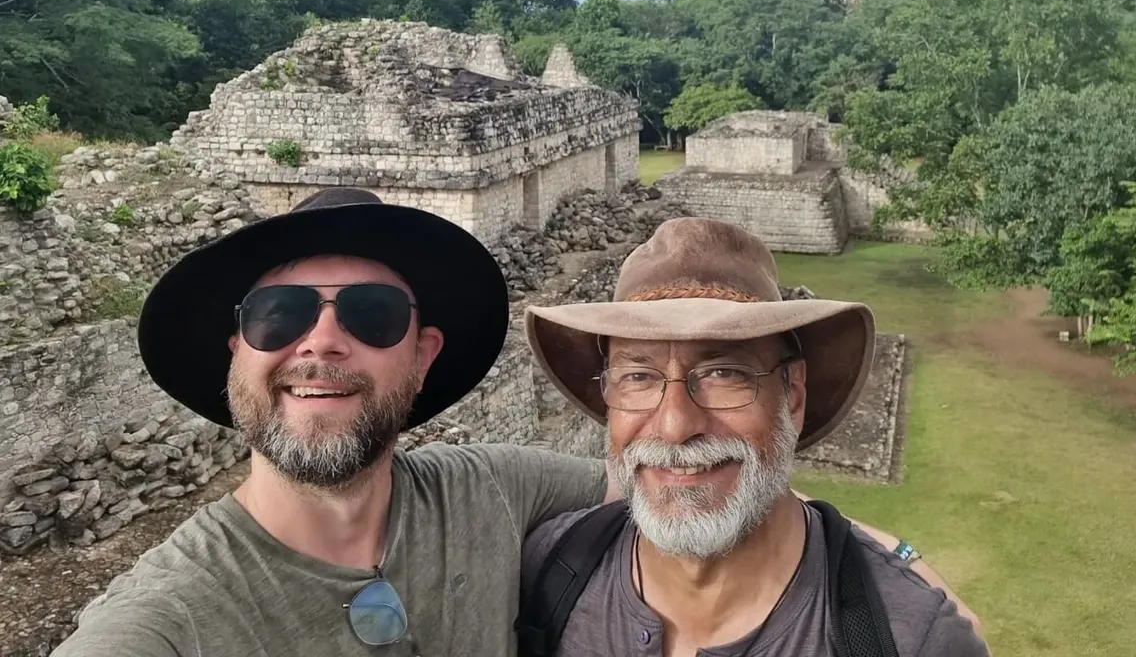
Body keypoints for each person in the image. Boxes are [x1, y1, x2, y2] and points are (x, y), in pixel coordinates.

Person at [52, 188, 612, 657]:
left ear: (422, 357)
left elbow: (658, 487)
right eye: (278, 316)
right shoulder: (168, 619)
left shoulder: (491, 488)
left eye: (373, 314)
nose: (321, 341)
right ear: (236, 354)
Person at [517, 216, 990, 657]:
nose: (675, 426)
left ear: (793, 396)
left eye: (725, 373)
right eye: (638, 377)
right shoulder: (547, 573)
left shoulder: (911, 639)